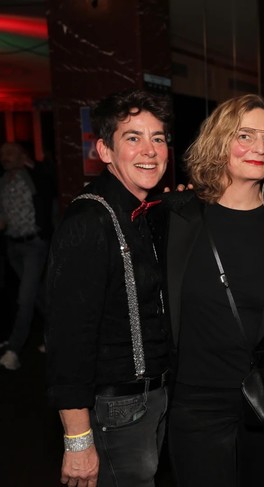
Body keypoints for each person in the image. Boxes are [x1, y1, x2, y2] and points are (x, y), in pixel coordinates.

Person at [163, 94, 264, 487]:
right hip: (194, 404)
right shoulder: (173, 216)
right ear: (218, 141)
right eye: (245, 135)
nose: (260, 148)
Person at [45, 89, 173, 487]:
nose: (149, 150)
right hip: (117, 408)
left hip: (152, 401)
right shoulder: (90, 220)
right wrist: (78, 440)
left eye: (157, 138)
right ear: (104, 150)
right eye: (133, 138)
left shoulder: (144, 212)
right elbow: (68, 339)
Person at [0, 142, 55, 370]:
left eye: (10, 153)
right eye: (2, 153)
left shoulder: (33, 175)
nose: (4, 157)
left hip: (34, 245)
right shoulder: (4, 181)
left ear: (22, 155)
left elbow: (49, 182)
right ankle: (58, 335)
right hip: (14, 247)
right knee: (36, 295)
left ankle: (14, 350)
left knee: (25, 299)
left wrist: (32, 165)